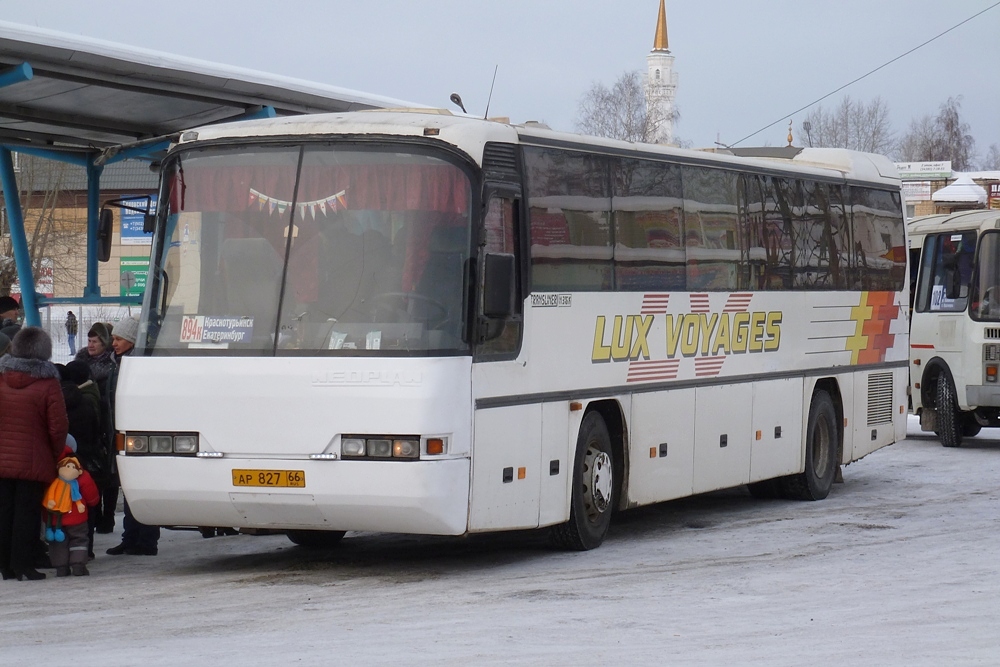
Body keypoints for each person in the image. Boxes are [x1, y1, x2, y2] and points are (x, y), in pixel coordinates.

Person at [0, 327, 68, 581]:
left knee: (4, 512)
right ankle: (24, 565)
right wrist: (54, 453)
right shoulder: (48, 384)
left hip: (2, 460)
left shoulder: (1, 377)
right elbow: (58, 426)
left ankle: (5, 565)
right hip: (34, 460)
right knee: (27, 515)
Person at [105, 317, 160, 556]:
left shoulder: (142, 365)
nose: (113, 343)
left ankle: (146, 539)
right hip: (121, 432)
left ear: (132, 339)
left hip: (140, 434)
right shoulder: (117, 363)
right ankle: (131, 537)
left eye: (118, 339)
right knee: (128, 488)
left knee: (142, 487)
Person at [57, 362, 104, 558]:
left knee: (58, 505)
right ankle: (86, 551)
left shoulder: (57, 404)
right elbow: (96, 430)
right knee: (85, 505)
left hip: (59, 460)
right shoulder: (87, 402)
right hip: (85, 459)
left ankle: (59, 554)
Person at [73, 323, 117, 533]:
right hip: (88, 423)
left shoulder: (113, 363)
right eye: (89, 341)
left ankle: (107, 517)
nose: (90, 345)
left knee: (109, 472)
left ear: (104, 343)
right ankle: (96, 514)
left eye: (95, 341)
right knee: (91, 472)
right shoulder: (80, 362)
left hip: (109, 421)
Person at [42, 441, 98, 576]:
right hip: (77, 517)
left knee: (58, 543)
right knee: (79, 540)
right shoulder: (79, 471)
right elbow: (91, 494)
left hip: (55, 517)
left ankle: (61, 568)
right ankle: (78, 565)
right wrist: (92, 503)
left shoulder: (48, 469)